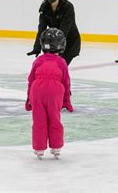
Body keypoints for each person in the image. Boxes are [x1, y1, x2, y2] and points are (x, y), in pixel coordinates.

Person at [25, 28, 73, 159]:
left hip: (37, 91)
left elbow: (31, 80)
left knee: (39, 121)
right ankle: (56, 147)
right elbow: (66, 82)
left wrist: (28, 99)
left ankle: (39, 149)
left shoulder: (38, 60)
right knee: (54, 119)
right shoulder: (61, 62)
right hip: (55, 92)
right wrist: (67, 102)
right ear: (61, 45)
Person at [27, 0, 81, 66]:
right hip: (54, 42)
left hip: (69, 42)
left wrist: (56, 47)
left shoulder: (68, 7)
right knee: (52, 67)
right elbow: (41, 28)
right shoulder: (44, 8)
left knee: (60, 67)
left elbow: (64, 29)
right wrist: (37, 47)